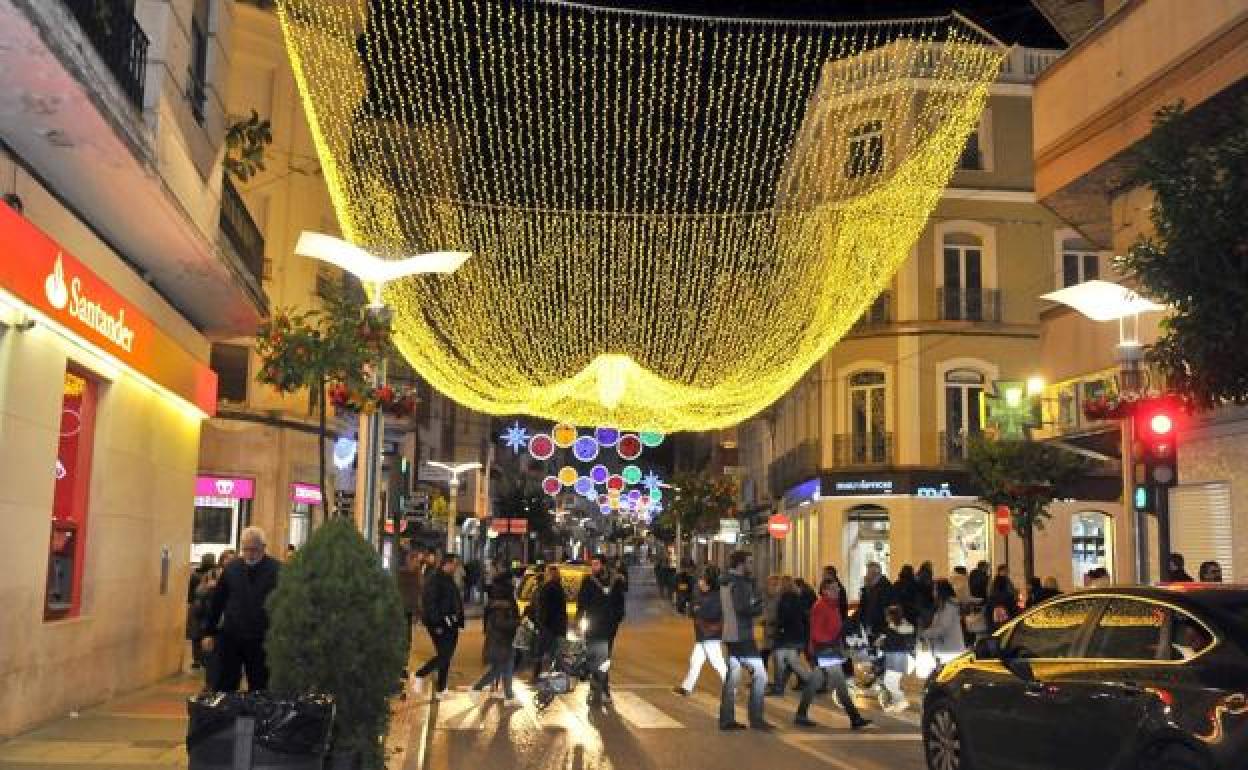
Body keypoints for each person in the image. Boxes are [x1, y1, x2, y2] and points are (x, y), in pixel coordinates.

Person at [204, 527, 281, 692]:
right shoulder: (232, 568)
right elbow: (218, 601)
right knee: (225, 681)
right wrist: (209, 632)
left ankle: (258, 716)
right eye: (246, 549)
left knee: (260, 683)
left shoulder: (277, 569)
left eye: (254, 550)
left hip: (262, 637)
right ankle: (226, 716)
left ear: (263, 547)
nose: (250, 554)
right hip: (232, 635)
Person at [794, 578, 871, 730]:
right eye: (834, 589)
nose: (838, 591)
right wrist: (832, 640)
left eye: (838, 588)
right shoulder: (821, 606)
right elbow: (816, 632)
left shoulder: (832, 605)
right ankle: (854, 718)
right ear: (825, 591)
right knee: (840, 685)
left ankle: (800, 714)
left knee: (814, 682)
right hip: (825, 649)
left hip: (830, 649)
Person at [718, 551, 769, 731]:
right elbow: (742, 608)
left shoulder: (725, 581)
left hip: (729, 633)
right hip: (742, 634)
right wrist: (759, 606)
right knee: (761, 676)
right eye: (749, 562)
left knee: (732, 677)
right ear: (740, 564)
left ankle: (726, 719)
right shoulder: (739, 583)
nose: (751, 565)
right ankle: (756, 718)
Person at [413, 553, 465, 698]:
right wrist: (437, 623)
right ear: (446, 564)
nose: (456, 567)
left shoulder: (447, 579)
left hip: (450, 623)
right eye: (454, 564)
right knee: (444, 655)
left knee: (446, 656)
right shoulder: (436, 579)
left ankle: (442, 689)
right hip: (441, 623)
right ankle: (420, 674)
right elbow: (430, 603)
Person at [674, 566, 726, 696]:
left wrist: (698, 610)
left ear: (709, 583)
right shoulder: (705, 594)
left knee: (718, 663)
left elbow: (706, 613)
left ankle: (732, 688)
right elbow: (693, 609)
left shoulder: (715, 596)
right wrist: (696, 609)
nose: (699, 582)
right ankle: (686, 688)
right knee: (695, 661)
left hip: (710, 635)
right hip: (703, 635)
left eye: (702, 580)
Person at [577, 555, 623, 704]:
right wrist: (579, 620)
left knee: (605, 659)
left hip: (608, 628)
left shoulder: (615, 581)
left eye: (596, 564)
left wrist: (616, 620)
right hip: (592, 626)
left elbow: (619, 604)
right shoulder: (588, 581)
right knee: (592, 658)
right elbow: (581, 603)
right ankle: (594, 689)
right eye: (592, 564)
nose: (593, 567)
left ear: (603, 565)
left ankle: (604, 690)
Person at [471, 572, 521, 705]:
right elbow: (500, 624)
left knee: (507, 666)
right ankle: (477, 687)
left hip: (504, 640)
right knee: (500, 668)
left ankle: (509, 696)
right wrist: (517, 623)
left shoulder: (499, 601)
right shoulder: (502, 604)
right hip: (501, 640)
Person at [767, 576, 814, 697]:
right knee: (793, 663)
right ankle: (812, 682)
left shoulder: (786, 599)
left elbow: (785, 617)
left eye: (780, 584)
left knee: (780, 661)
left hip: (787, 637)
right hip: (797, 635)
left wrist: (775, 625)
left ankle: (779, 688)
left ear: (784, 586)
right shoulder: (797, 597)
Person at [532, 564, 567, 682]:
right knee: (556, 652)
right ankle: (557, 678)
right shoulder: (559, 587)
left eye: (547, 573)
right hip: (558, 626)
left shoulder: (547, 588)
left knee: (541, 652)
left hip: (548, 626)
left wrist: (541, 623)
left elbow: (544, 608)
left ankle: (538, 676)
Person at [878, 605, 915, 712]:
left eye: (887, 616)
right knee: (892, 681)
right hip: (902, 656)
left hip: (895, 656)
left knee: (889, 681)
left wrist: (881, 644)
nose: (886, 618)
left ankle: (901, 701)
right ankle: (896, 703)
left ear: (891, 616)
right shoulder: (906, 626)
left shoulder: (892, 629)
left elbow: (890, 644)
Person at [919, 579, 966, 666]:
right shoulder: (944, 606)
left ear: (941, 591)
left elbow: (942, 628)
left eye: (935, 589)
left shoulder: (948, 607)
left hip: (949, 651)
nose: (933, 592)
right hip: (947, 649)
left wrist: (924, 633)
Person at [187, 553, 217, 670]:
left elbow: (190, 595)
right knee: (205, 634)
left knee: (196, 635)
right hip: (207, 609)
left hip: (196, 608)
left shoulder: (194, 575)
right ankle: (205, 659)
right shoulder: (213, 575)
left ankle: (196, 660)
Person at [397, 549, 425, 665]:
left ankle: (404, 660)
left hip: (408, 608)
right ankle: (402, 660)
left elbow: (419, 593)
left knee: (407, 636)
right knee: (404, 635)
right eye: (416, 561)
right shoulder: (402, 573)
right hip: (402, 607)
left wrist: (418, 611)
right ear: (410, 560)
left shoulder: (417, 574)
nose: (418, 563)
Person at [858, 561, 892, 636]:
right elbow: (862, 608)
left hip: (880, 630)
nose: (866, 576)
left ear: (874, 574)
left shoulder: (886, 589)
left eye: (867, 573)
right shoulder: (868, 589)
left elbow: (885, 611)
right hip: (870, 629)